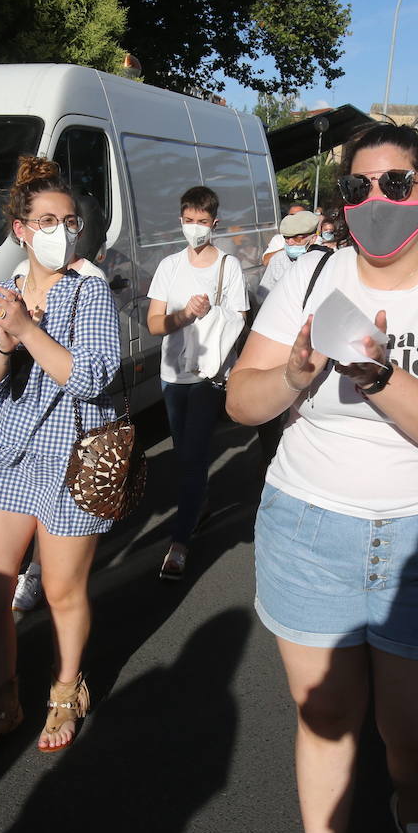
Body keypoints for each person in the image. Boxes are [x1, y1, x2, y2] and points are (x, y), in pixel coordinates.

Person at [226, 124, 418, 833]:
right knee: (324, 716)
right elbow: (240, 401)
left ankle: (411, 811)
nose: (376, 199)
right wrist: (296, 373)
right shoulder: (311, 277)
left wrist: (378, 375)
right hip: (306, 528)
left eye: (396, 183)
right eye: (358, 187)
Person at [0, 157, 118, 760]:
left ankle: (67, 688)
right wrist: (3, 342)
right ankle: (2, 698)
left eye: (68, 220)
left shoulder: (90, 288)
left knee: (63, 589)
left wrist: (29, 332)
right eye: (45, 220)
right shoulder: (1, 292)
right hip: (7, 449)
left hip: (71, 451)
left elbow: (90, 376)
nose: (60, 230)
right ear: (20, 228)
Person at [147, 186, 250, 578]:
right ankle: (199, 501)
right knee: (184, 454)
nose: (194, 229)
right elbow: (155, 324)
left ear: (215, 223)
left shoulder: (229, 265)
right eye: (188, 221)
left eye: (202, 222)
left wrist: (213, 316)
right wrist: (184, 317)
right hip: (172, 374)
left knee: (193, 455)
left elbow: (239, 319)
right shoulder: (170, 266)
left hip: (209, 374)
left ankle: (179, 542)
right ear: (181, 221)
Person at [259, 210, 321, 303]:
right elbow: (262, 297)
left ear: (313, 239)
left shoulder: (322, 259)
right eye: (286, 237)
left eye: (297, 238)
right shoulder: (278, 259)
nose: (290, 242)